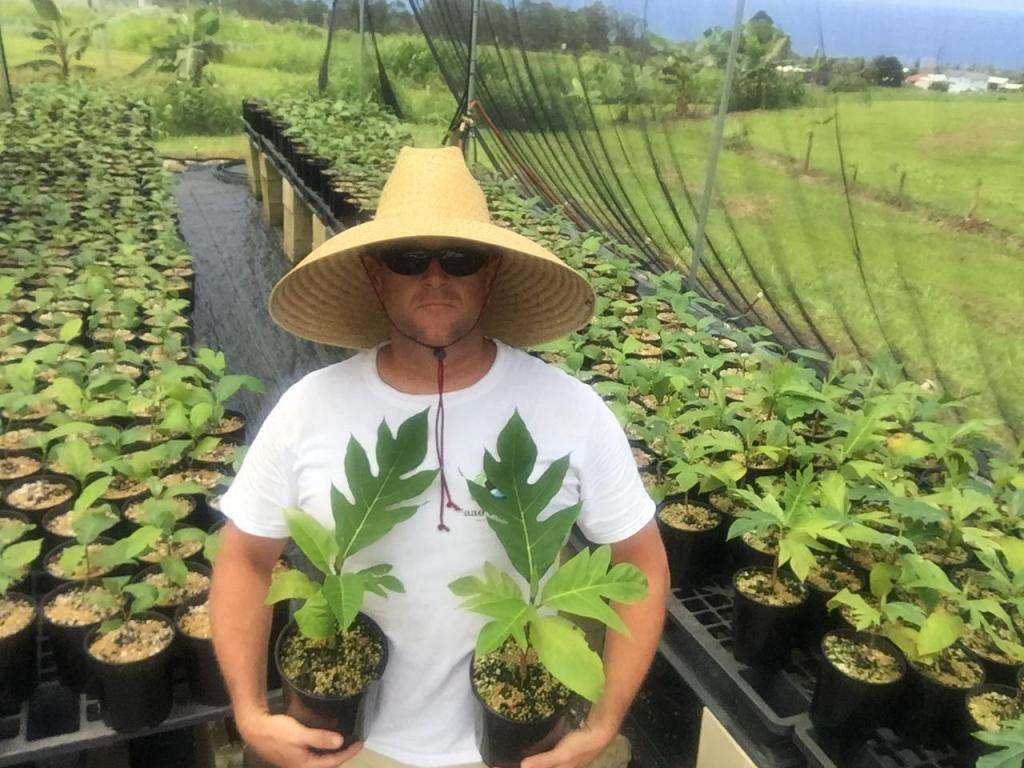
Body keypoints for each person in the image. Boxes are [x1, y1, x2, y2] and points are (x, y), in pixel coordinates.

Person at [209, 146, 669, 768]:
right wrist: (247, 711)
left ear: (491, 273)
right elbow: (244, 557)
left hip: (516, 751)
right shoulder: (308, 408)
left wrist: (605, 723)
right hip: (350, 750)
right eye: (406, 258)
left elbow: (642, 563)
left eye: (460, 258)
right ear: (375, 274)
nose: (434, 277)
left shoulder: (571, 410)